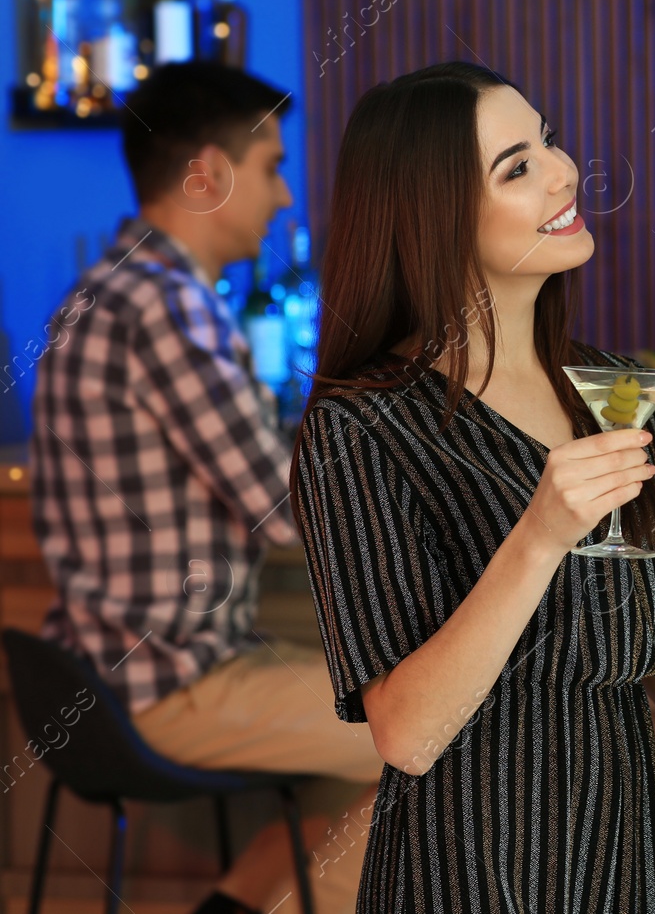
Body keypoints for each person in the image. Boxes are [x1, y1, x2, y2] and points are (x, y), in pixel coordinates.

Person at [290, 61, 655, 913]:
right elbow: (406, 732)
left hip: (621, 863)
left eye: (547, 139)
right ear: (436, 219)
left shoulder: (619, 392)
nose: (564, 169)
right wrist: (541, 534)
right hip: (467, 871)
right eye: (517, 166)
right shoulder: (362, 430)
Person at [30, 60, 386, 914]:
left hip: (99, 677)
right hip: (168, 686)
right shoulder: (166, 308)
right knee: (439, 733)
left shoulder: (104, 292)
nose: (288, 199)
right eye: (272, 168)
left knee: (388, 731)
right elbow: (286, 512)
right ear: (206, 175)